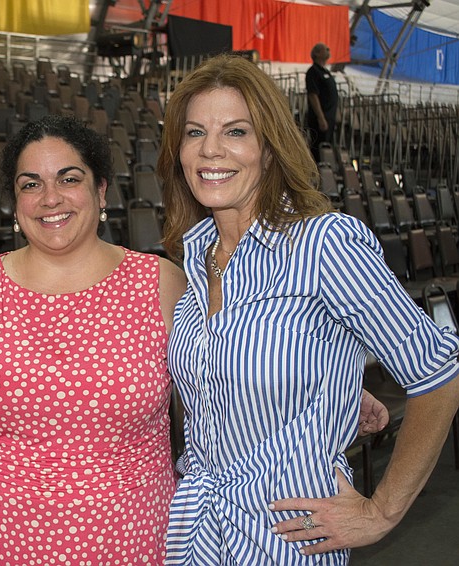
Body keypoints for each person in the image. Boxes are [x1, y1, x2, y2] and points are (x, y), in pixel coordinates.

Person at [158, 54, 459, 565]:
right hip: (196, 536)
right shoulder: (194, 259)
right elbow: (231, 378)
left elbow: (439, 373)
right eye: (194, 133)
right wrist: (331, 389)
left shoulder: (324, 244)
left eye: (236, 131)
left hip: (286, 540)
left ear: (269, 148)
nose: (210, 149)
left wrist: (380, 512)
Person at [0, 114, 186, 564]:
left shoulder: (159, 283)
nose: (50, 198)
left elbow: (213, 408)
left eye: (69, 178)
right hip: (2, 543)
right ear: (14, 203)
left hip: (135, 540)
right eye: (30, 184)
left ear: (100, 191)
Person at [305, 42, 338, 163]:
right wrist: (321, 117)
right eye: (326, 49)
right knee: (319, 149)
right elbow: (313, 95)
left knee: (327, 149)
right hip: (320, 118)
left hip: (329, 117)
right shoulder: (313, 71)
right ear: (317, 53)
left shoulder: (325, 71)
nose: (329, 50)